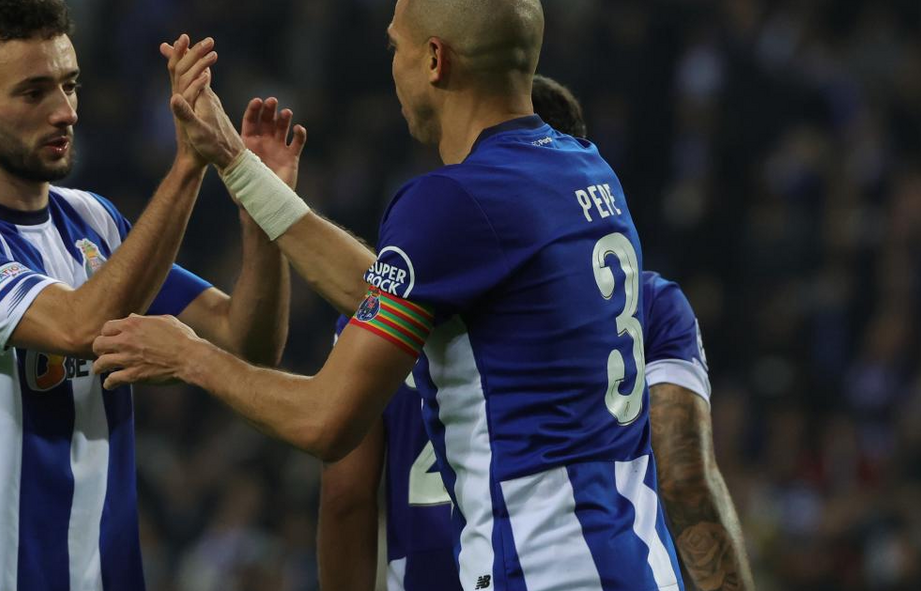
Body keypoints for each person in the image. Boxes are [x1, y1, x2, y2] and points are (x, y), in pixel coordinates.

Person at [95, 0, 683, 590]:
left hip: (544, 570)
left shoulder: (452, 200)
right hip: (636, 562)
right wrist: (238, 164)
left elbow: (326, 421)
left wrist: (190, 356)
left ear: (434, 60)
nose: (392, 67)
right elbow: (382, 287)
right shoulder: (585, 169)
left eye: (395, 47)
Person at [0, 0, 295, 591]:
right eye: (33, 92)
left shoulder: (94, 222)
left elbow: (247, 339)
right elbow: (78, 326)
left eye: (69, 85)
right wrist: (188, 164)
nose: (65, 112)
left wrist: (263, 203)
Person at [316, 75, 755, 591]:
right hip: (572, 565)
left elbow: (346, 498)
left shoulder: (375, 314)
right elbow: (685, 482)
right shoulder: (650, 303)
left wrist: (254, 184)